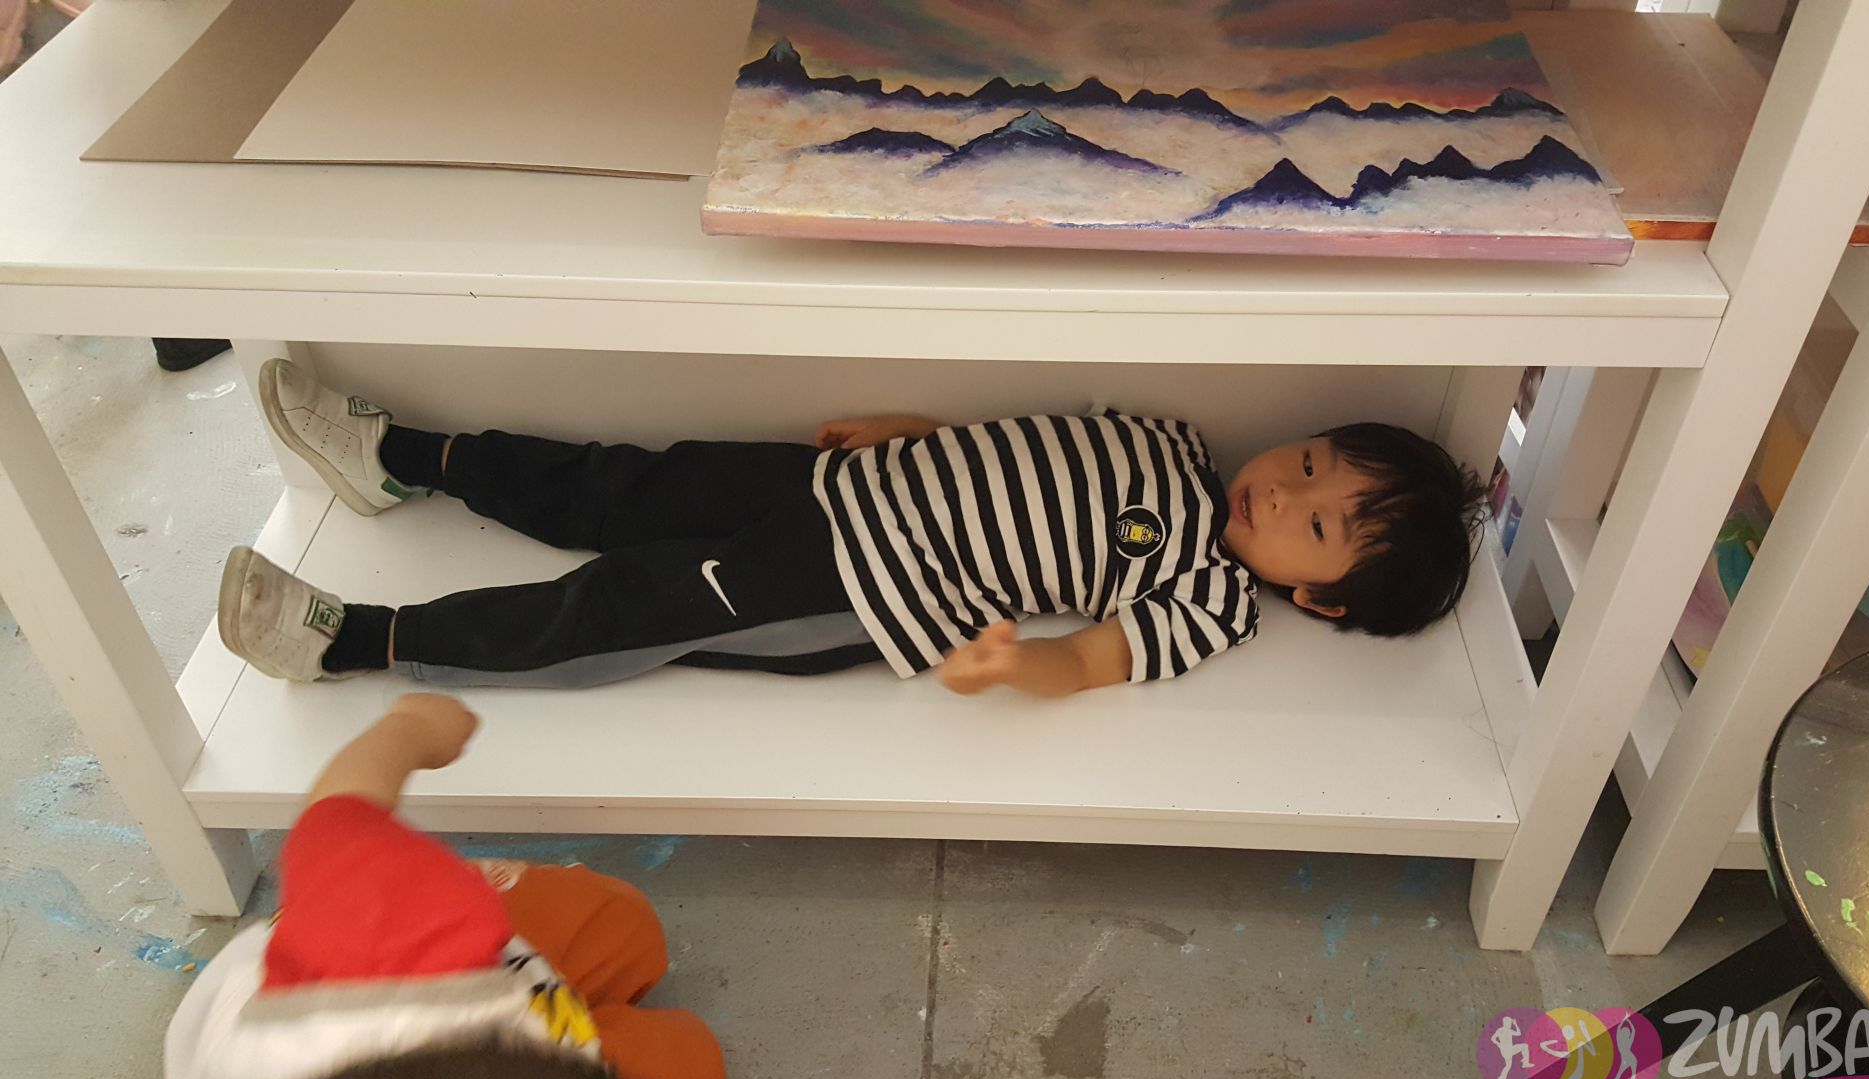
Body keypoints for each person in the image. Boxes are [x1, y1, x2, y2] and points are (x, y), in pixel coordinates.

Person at [219, 359, 1482, 695]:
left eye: (1319, 527)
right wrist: (914, 431)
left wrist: (1015, 664)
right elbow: (1018, 445)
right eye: (1308, 463)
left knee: (613, 610)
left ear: (1316, 596)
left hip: (856, 586)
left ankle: (354, 640)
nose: (1285, 494)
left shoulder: (1209, 601)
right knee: (619, 485)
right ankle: (402, 460)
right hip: (835, 483)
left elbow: (1099, 658)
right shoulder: (1177, 441)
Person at [164, 694, 730, 1079]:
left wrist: (411, 727)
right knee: (683, 1053)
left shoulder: (373, 940)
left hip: (372, 969)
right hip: (518, 1039)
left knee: (622, 927)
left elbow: (340, 815)